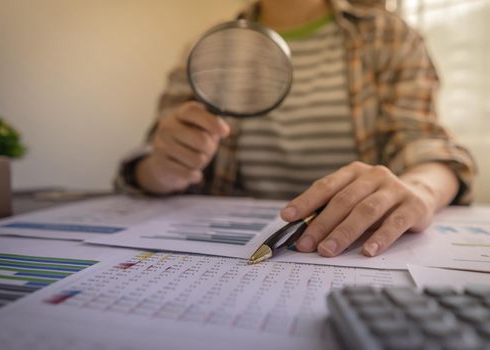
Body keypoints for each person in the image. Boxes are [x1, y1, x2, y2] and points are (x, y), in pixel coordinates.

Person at [116, 0, 476, 258]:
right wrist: (159, 170)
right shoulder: (207, 51)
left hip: (346, 251)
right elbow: (155, 156)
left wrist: (420, 190)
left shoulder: (388, 37)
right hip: (229, 250)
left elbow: (427, 146)